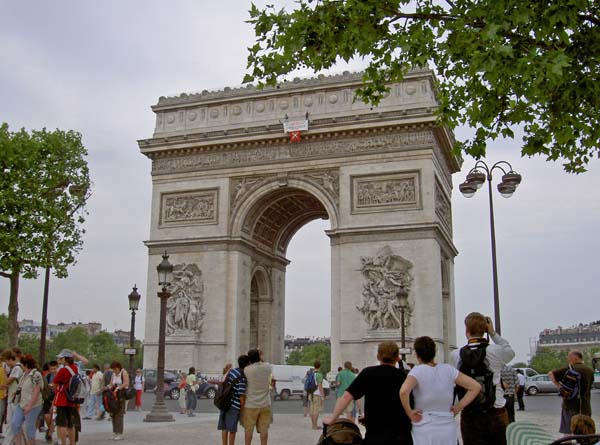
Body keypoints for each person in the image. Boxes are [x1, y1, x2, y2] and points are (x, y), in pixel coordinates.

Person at [324, 341, 413, 445]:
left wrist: (332, 419)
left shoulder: (368, 373)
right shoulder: (404, 377)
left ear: (378, 356)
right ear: (397, 357)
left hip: (376, 436)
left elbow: (347, 396)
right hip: (401, 437)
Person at [400, 336, 480, 445]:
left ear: (417, 354)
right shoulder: (448, 369)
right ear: (435, 352)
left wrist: (409, 413)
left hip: (424, 425)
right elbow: (475, 387)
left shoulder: (417, 371)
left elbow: (403, 391)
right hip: (447, 425)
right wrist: (458, 407)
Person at [450, 313, 515, 445]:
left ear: (466, 330)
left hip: (469, 412)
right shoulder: (495, 351)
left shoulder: (456, 355)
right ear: (484, 330)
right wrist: (492, 333)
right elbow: (510, 352)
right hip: (495, 411)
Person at [548, 350, 594, 435]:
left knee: (567, 431)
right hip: (585, 406)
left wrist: (559, 386)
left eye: (569, 358)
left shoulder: (569, 369)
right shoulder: (590, 371)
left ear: (575, 358)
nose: (568, 360)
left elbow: (551, 374)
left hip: (570, 405)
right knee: (585, 431)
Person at [11, 354, 43, 445]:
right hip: (21, 403)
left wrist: (30, 405)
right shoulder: (24, 374)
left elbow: (36, 391)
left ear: (26, 364)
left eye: (21, 364)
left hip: (33, 405)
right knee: (15, 424)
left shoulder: (36, 374)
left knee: (29, 428)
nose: (20, 365)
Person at [242, 348, 272, 445]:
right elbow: (264, 363)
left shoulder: (247, 370)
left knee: (248, 429)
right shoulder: (268, 367)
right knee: (264, 429)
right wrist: (260, 354)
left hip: (251, 404)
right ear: (259, 356)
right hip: (265, 403)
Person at [218, 355, 250, 445]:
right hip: (233, 405)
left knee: (224, 428)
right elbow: (241, 396)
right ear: (247, 365)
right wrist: (243, 410)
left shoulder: (232, 371)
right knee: (232, 429)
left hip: (224, 402)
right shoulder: (243, 378)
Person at [53, 350, 80, 445]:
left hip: (62, 399)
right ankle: (72, 443)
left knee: (61, 424)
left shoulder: (63, 370)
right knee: (70, 424)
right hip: (71, 399)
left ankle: (63, 443)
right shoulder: (75, 368)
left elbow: (55, 382)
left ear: (66, 359)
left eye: (61, 358)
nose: (59, 360)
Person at [3, 348, 24, 445]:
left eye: (6, 361)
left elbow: (8, 381)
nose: (6, 363)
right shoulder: (18, 368)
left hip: (15, 400)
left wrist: (3, 372)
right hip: (13, 399)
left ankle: (9, 442)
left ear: (10, 359)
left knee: (12, 423)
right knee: (12, 423)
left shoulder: (17, 368)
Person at [107, 361, 129, 441]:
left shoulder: (123, 372)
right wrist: (106, 387)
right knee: (113, 414)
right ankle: (115, 432)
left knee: (119, 414)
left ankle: (120, 433)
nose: (114, 371)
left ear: (118, 367)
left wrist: (119, 387)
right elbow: (111, 384)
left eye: (115, 369)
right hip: (114, 395)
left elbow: (126, 383)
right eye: (113, 369)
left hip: (121, 395)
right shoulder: (113, 374)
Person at [42, 360, 58, 444]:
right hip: (47, 399)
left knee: (53, 418)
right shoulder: (47, 377)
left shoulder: (60, 377)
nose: (53, 370)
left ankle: (49, 434)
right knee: (47, 416)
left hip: (56, 399)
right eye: (52, 369)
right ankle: (50, 429)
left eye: (55, 368)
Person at [310, 360, 326, 430]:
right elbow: (320, 386)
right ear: (320, 366)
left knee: (312, 410)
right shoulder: (319, 375)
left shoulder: (310, 374)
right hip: (317, 394)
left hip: (311, 393)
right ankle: (315, 426)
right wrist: (323, 395)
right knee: (316, 411)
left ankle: (313, 425)